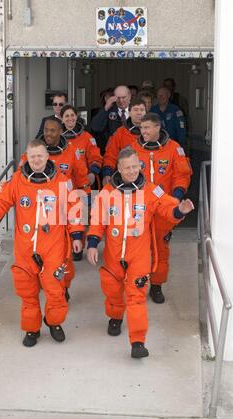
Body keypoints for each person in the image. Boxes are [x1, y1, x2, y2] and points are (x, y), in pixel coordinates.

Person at [0, 140, 85, 347]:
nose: (36, 160)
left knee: (55, 289)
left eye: (40, 155)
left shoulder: (62, 181)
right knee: (27, 290)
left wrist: (77, 236)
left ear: (47, 156)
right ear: (27, 157)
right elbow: (1, 201)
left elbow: (74, 210)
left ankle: (54, 322)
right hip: (25, 247)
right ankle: (32, 329)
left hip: (53, 245)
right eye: (32, 156)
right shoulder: (17, 181)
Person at [87, 147, 194, 358]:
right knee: (113, 290)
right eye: (127, 168)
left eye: (135, 166)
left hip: (139, 254)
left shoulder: (150, 190)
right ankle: (116, 317)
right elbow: (98, 220)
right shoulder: (107, 192)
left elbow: (166, 208)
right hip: (114, 253)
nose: (132, 171)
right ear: (119, 168)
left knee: (136, 296)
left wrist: (179, 210)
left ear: (140, 166)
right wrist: (92, 243)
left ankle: (138, 341)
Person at [19, 118, 91, 291]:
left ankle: (64, 286)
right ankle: (44, 281)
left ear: (60, 131)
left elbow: (81, 177)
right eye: (46, 129)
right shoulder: (34, 151)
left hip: (63, 209)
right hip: (39, 211)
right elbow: (20, 176)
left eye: (52, 130)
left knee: (64, 254)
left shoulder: (71, 151)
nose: (48, 133)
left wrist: (85, 199)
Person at [129, 113, 192, 303]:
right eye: (141, 128)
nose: (144, 131)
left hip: (163, 206)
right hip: (139, 207)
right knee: (135, 249)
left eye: (147, 128)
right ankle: (134, 284)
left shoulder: (174, 149)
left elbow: (182, 175)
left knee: (160, 249)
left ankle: (156, 285)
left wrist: (176, 197)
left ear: (158, 127)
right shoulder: (133, 149)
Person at [61, 104, 103, 261]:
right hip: (64, 184)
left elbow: (96, 156)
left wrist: (93, 172)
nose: (70, 119)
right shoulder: (58, 138)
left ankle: (78, 248)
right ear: (62, 119)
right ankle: (69, 246)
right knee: (66, 217)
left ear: (76, 117)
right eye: (67, 116)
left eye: (72, 115)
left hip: (83, 183)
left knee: (83, 218)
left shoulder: (87, 137)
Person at [102, 98, 147, 185]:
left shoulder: (153, 133)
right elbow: (111, 155)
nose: (139, 113)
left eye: (142, 110)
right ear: (129, 112)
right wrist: (107, 173)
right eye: (135, 110)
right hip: (126, 180)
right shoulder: (120, 133)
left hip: (148, 179)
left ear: (146, 112)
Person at [90, 85, 132, 155]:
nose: (121, 101)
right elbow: (95, 127)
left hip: (132, 150)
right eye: (118, 98)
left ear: (129, 96)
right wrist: (105, 108)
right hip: (113, 152)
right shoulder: (108, 111)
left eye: (123, 97)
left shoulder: (136, 109)